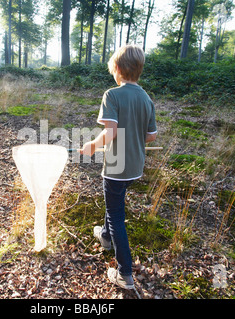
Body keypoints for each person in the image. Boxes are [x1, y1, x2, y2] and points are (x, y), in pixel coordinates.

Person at [79, 45, 157, 289]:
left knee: (116, 214)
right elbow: (151, 136)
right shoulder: (146, 98)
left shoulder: (112, 95)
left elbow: (110, 131)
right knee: (114, 201)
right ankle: (104, 236)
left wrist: (92, 145)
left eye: (113, 68)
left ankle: (124, 273)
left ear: (119, 70)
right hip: (134, 167)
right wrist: (132, 138)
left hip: (116, 167)